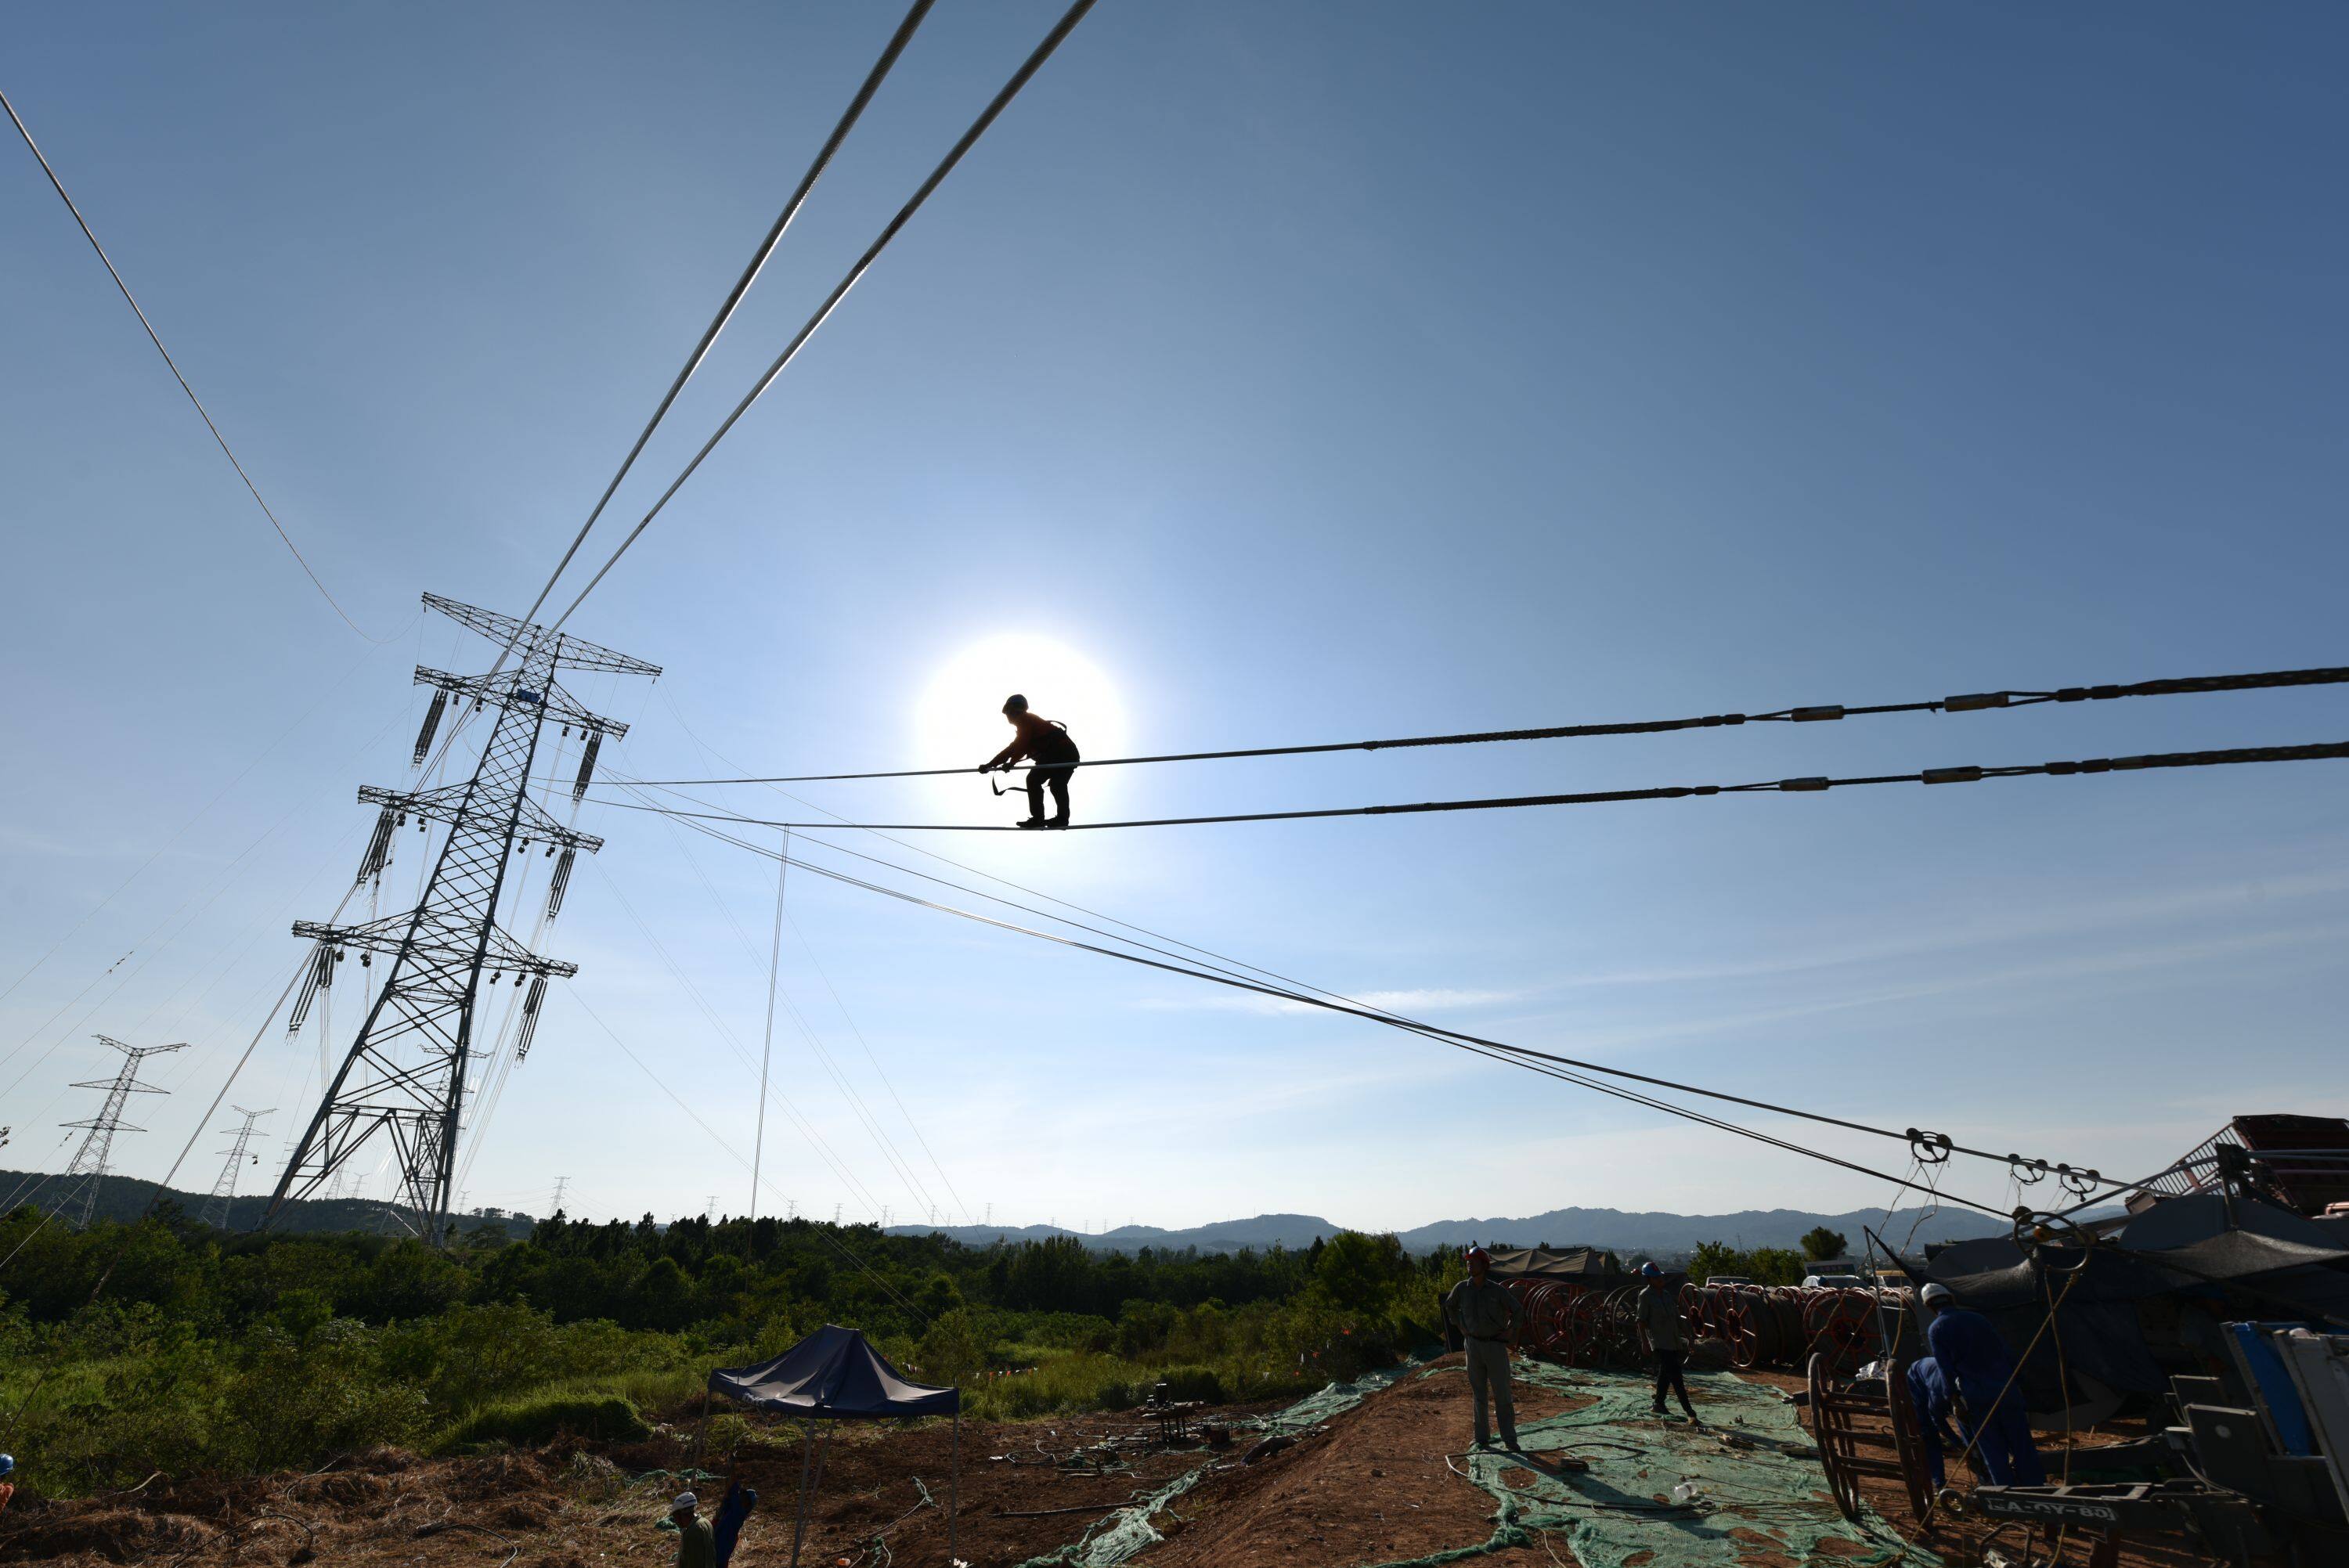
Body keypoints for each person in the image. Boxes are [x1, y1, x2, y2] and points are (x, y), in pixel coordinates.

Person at [1920, 1281, 2046, 1487]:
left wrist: (1954, 1400)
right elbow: (2006, 1352)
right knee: (2023, 1446)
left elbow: (1946, 1370)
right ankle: (2038, 1490)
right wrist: (2020, 1383)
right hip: (2007, 1392)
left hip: (1977, 1399)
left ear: (1929, 1306)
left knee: (1993, 1451)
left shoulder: (1936, 1329)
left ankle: (2008, 1497)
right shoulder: (1978, 1319)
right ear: (1951, 1298)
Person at [1442, 1245, 1521, 1451]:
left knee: (1502, 1393)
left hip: (1495, 1346)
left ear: (1484, 1266)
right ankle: (1481, 1438)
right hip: (1473, 1346)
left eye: (1474, 1261)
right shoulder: (1461, 1289)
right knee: (1479, 1393)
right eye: (1468, 1261)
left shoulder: (1497, 1290)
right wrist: (1460, 1326)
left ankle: (1509, 1439)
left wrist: (1510, 1332)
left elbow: (1518, 1311)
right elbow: (1450, 1306)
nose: (1469, 1264)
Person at [980, 694, 1081, 829]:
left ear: (1013, 709)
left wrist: (1012, 763)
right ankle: (1060, 819)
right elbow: (1011, 750)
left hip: (1061, 753)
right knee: (1056, 785)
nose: (1007, 716)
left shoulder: (1025, 719)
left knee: (1036, 780)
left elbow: (1022, 745)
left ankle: (1041, 819)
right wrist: (989, 765)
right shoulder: (1026, 724)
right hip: (1064, 754)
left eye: (1008, 712)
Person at [1636, 1262, 1700, 1422]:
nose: (1660, 1280)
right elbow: (1641, 1321)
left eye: (1660, 1277)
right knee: (1676, 1376)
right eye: (1656, 1278)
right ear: (1649, 1279)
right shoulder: (1645, 1296)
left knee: (1665, 1374)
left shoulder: (1666, 1295)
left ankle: (1658, 1404)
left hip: (1672, 1341)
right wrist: (1644, 1342)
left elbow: (1677, 1319)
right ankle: (1690, 1412)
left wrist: (1690, 1338)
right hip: (1659, 1342)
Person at [1903, 1354, 1964, 1494]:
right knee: (1929, 1433)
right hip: (1917, 1381)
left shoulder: (1966, 1382)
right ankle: (1939, 1483)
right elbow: (1938, 1420)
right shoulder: (1939, 1395)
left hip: (1935, 1380)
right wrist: (1957, 1443)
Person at [713, 1478, 758, 1568]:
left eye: (744, 1496)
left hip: (719, 1557)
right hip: (715, 1550)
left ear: (748, 1504)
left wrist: (732, 1474)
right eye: (741, 1494)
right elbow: (728, 1499)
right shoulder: (732, 1510)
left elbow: (734, 1493)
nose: (740, 1496)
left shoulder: (739, 1514)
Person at [669, 1490, 716, 1568]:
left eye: (675, 1516)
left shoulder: (693, 1531)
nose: (675, 1521)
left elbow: (693, 1563)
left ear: (682, 1513)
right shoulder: (706, 1522)